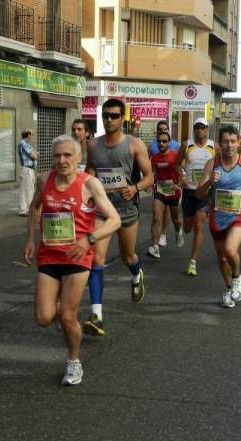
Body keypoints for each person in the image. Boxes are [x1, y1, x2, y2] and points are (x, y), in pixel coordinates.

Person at [22, 136, 120, 386]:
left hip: (78, 255)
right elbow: (35, 207)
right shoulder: (44, 180)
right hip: (50, 254)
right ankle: (61, 316)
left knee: (67, 315)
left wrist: (90, 239)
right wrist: (31, 240)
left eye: (67, 155)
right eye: (57, 156)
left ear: (79, 158)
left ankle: (74, 362)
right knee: (43, 317)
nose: (61, 160)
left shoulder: (90, 184)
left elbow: (114, 220)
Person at [83, 98, 153, 335]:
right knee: (97, 259)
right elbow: (90, 172)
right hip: (102, 211)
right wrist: (89, 193)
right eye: (105, 115)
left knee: (127, 256)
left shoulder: (134, 145)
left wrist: (135, 188)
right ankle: (96, 315)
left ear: (122, 118)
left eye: (114, 115)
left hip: (125, 209)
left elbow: (149, 177)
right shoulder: (93, 145)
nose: (109, 119)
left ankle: (136, 274)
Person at [196, 124, 241, 307]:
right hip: (218, 215)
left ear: (239, 142)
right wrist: (209, 181)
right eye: (225, 142)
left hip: (240, 215)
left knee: (230, 250)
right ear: (219, 144)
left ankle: (237, 280)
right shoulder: (212, 164)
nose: (229, 145)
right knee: (221, 258)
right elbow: (199, 194)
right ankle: (229, 288)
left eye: (233, 141)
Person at [175, 118, 215, 276]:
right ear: (194, 129)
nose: (199, 130)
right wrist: (182, 176)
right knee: (188, 227)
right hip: (190, 191)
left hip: (205, 191)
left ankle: (193, 262)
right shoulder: (186, 145)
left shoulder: (214, 146)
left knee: (200, 224)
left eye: (202, 128)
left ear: (207, 129)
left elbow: (220, 165)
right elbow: (177, 164)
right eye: (197, 128)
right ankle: (180, 229)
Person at [147, 130, 184, 259]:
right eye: (159, 141)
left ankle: (178, 231)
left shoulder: (175, 156)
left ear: (169, 143)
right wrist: (150, 184)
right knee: (157, 217)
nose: (161, 143)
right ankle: (155, 247)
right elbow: (152, 173)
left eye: (164, 141)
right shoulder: (155, 158)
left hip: (173, 191)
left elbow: (182, 176)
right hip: (160, 190)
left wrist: (178, 185)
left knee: (175, 220)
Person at [18, 129, 39, 216]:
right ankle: (23, 210)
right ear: (28, 135)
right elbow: (34, 156)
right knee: (25, 190)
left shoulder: (27, 144)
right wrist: (36, 154)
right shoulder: (23, 143)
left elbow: (35, 154)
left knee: (30, 190)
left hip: (30, 170)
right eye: (31, 135)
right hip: (26, 169)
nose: (32, 137)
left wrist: (35, 154)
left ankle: (28, 208)